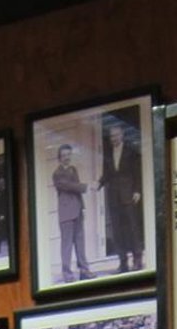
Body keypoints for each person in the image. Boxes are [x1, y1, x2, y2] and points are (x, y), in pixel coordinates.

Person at [95, 119, 144, 272]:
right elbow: (106, 174)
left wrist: (137, 190)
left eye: (116, 135)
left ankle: (137, 259)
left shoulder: (130, 151)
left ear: (122, 135)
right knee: (117, 231)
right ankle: (123, 262)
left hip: (128, 195)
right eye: (112, 136)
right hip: (114, 196)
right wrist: (98, 184)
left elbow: (137, 172)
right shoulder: (108, 154)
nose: (114, 139)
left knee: (132, 228)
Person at [51, 143, 91, 283]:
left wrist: (83, 208)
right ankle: (67, 274)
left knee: (80, 242)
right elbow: (69, 186)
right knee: (67, 245)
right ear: (59, 158)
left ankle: (84, 271)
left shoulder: (73, 170)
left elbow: (77, 192)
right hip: (66, 213)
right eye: (64, 155)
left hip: (77, 210)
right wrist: (85, 187)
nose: (67, 158)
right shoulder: (57, 174)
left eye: (69, 154)